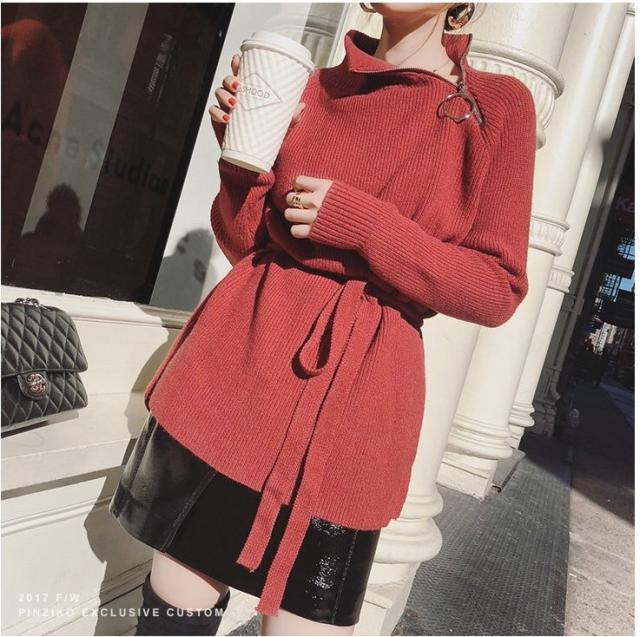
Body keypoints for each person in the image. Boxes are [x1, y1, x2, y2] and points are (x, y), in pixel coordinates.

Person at [109, 3, 538, 635]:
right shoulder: (311, 86)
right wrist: (242, 161)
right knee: (172, 615)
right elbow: (246, 243)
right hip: (234, 375)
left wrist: (368, 227)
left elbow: (496, 289)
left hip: (352, 412)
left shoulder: (495, 106)